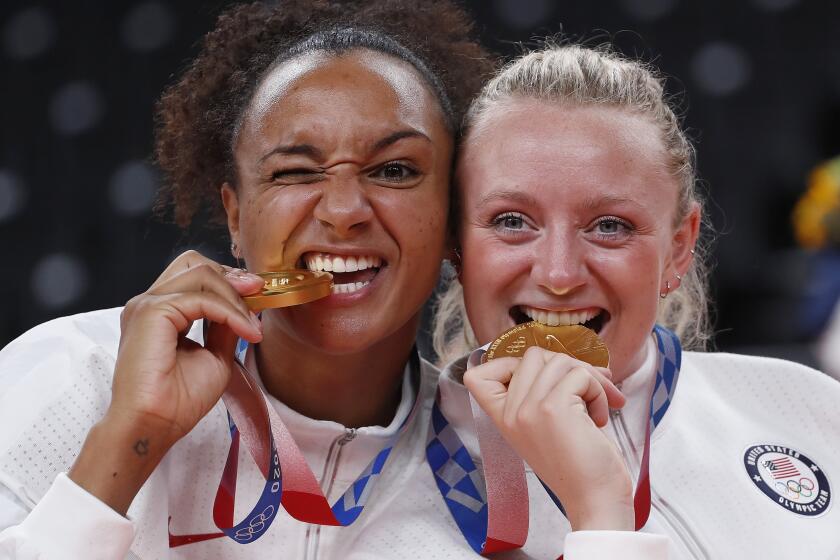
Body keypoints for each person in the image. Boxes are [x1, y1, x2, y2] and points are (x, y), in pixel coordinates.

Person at [0, 1, 497, 558]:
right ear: (236, 217)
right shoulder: (70, 376)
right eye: (295, 171)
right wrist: (129, 438)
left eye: (394, 170)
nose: (344, 210)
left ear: (454, 213)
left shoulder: (501, 469)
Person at [433, 44, 840, 559]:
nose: (558, 274)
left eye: (610, 226)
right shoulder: (380, 495)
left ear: (678, 247)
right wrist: (599, 511)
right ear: (455, 245)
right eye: (512, 221)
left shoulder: (810, 410)